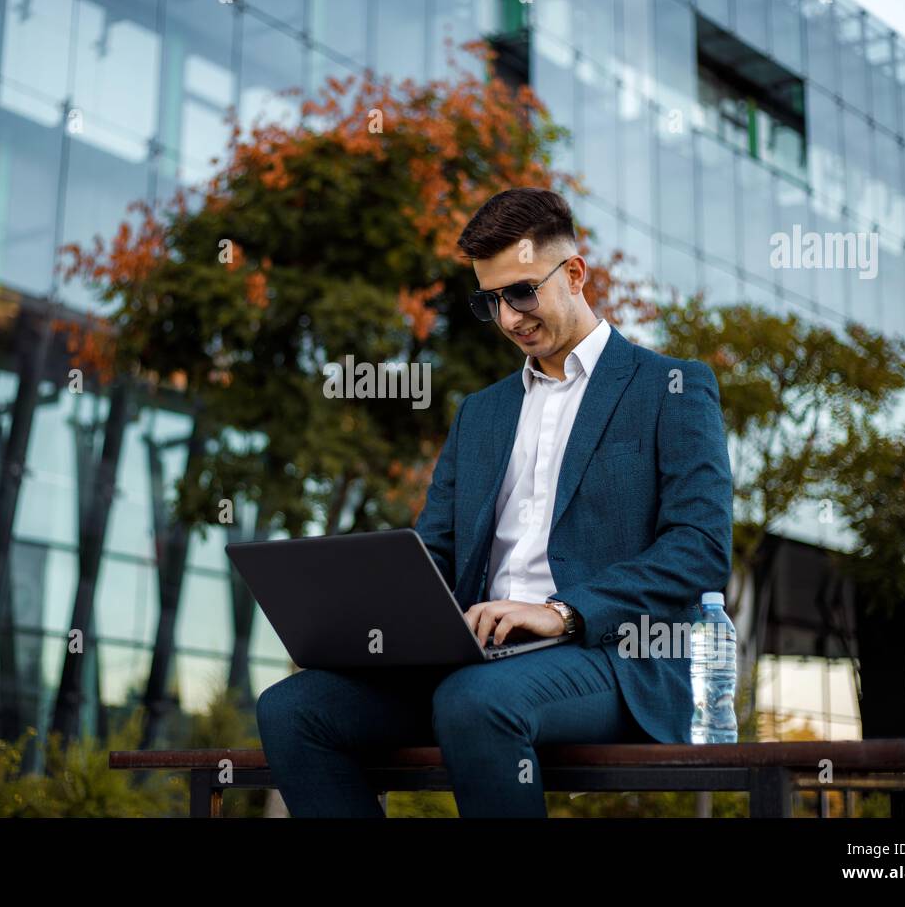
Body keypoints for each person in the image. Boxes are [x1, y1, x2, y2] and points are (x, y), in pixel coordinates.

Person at [256, 187, 733, 817]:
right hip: (474, 660)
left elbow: (699, 548)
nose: (508, 318)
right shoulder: (481, 414)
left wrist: (563, 613)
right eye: (491, 301)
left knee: (475, 701)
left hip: (612, 658)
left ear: (575, 274)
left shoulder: (670, 386)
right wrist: (362, 622)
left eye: (522, 292)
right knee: (291, 708)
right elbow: (435, 551)